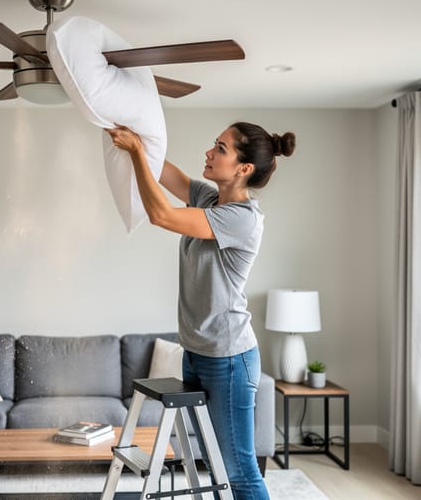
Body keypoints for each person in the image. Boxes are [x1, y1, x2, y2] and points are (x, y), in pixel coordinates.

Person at [105, 122, 296, 500]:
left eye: (221, 149)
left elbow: (161, 214)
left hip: (228, 358)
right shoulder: (208, 199)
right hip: (195, 352)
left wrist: (136, 153)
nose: (210, 153)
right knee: (212, 465)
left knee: (239, 472)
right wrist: (127, 131)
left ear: (243, 169)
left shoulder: (242, 219)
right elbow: (163, 170)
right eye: (214, 145)